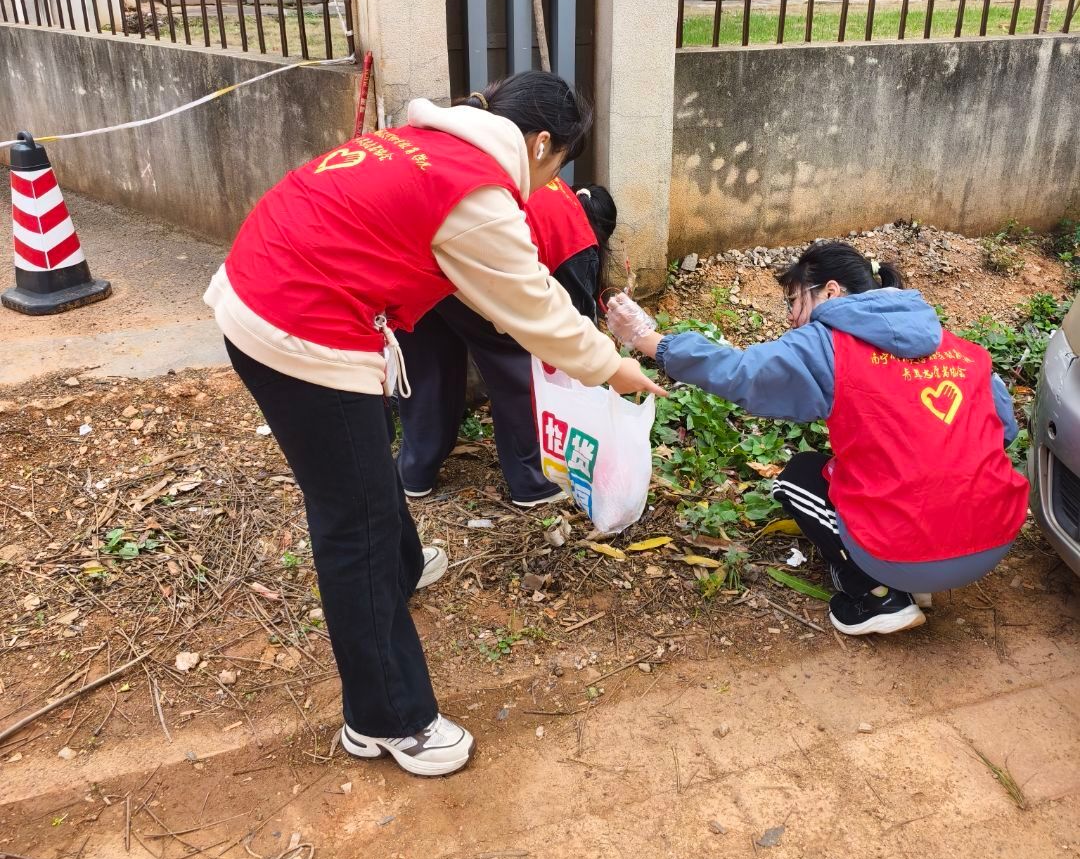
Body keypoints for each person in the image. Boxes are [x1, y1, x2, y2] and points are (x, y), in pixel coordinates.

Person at [205, 73, 662, 776]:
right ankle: (385, 719)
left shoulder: (428, 140)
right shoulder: (477, 193)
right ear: (542, 144)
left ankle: (404, 568)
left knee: (362, 481)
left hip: (268, 287)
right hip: (299, 329)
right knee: (350, 524)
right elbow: (533, 309)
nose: (550, 184)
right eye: (557, 167)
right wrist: (614, 368)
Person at [607, 241, 1029, 638]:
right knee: (886, 466)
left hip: (907, 551)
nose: (791, 316)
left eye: (794, 300)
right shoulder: (962, 351)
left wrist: (647, 339)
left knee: (799, 477)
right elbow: (1005, 430)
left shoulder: (828, 344)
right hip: (994, 540)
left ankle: (876, 595)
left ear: (830, 291)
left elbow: (742, 373)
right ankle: (914, 570)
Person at [396, 177, 617, 506]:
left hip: (415, 250)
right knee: (516, 358)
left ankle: (413, 473)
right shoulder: (578, 240)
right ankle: (533, 481)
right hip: (473, 258)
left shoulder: (551, 190)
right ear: (600, 231)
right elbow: (569, 330)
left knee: (429, 362)